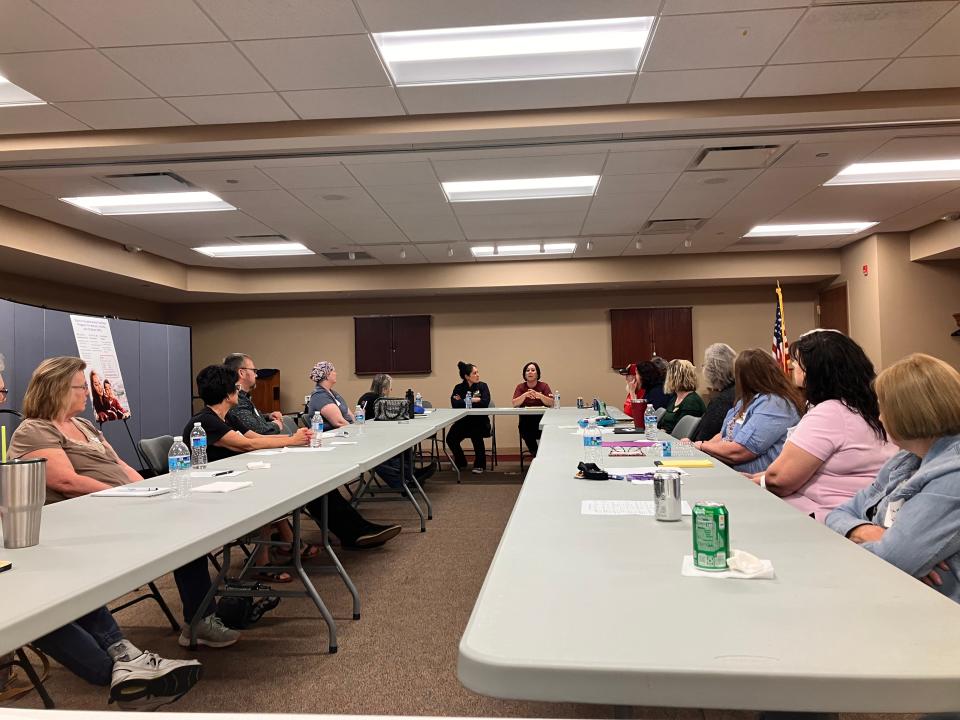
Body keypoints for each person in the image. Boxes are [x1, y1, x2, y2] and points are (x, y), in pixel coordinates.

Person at [7, 356, 201, 710]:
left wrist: (154, 494)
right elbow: (65, 482)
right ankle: (121, 671)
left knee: (191, 534)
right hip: (79, 525)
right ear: (58, 389)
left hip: (116, 512)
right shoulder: (35, 430)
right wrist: (131, 498)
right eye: (82, 387)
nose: (88, 394)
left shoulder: (84, 425)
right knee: (44, 606)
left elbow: (121, 465)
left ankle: (132, 661)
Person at [197, 364, 401, 550]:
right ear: (227, 392)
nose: (238, 390)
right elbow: (248, 444)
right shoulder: (206, 421)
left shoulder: (227, 417)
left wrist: (292, 437)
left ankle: (356, 531)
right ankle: (352, 532)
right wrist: (292, 440)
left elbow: (257, 437)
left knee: (315, 484)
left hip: (247, 476)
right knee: (307, 484)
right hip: (225, 492)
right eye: (235, 387)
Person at [826, 353, 960, 604]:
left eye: (882, 408)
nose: (879, 417)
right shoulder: (906, 460)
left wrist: (894, 550)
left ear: (906, 413)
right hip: (903, 597)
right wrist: (869, 533)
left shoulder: (953, 477)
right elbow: (839, 513)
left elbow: (894, 562)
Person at [746, 331, 897, 521]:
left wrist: (749, 481)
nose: (792, 366)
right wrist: (757, 478)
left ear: (816, 371)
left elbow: (780, 479)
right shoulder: (869, 407)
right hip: (855, 515)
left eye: (798, 362)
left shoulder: (831, 413)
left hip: (822, 521)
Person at [693, 348, 805, 473]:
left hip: (755, 482)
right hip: (731, 472)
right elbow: (725, 434)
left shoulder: (776, 403)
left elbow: (741, 451)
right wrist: (702, 446)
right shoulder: (749, 399)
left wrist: (703, 446)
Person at [357, 373, 434, 489]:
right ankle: (405, 481)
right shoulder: (379, 400)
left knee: (402, 444)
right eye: (390, 387)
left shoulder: (365, 397)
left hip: (372, 436)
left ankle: (412, 475)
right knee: (399, 447)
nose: (391, 390)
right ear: (384, 389)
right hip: (373, 440)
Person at [223, 353, 285, 435]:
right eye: (254, 371)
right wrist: (276, 425)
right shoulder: (235, 399)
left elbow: (247, 418)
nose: (256, 375)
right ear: (242, 373)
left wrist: (268, 416)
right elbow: (256, 431)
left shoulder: (243, 397)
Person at [447, 361, 491, 474]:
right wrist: (473, 400)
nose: (478, 375)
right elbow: (455, 404)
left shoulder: (482, 386)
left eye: (478, 372)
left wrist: (462, 400)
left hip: (480, 422)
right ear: (467, 376)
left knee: (476, 434)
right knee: (450, 439)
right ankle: (461, 461)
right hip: (463, 422)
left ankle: (480, 464)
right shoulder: (458, 388)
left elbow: (485, 403)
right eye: (474, 373)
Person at [690, 343, 737, 442]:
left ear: (712, 370)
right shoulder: (740, 391)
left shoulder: (722, 401)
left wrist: (690, 443)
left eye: (704, 365)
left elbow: (704, 437)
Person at [512, 361, 552, 456]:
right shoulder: (520, 387)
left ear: (537, 374)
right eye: (527, 370)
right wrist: (525, 395)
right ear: (524, 374)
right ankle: (537, 455)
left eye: (533, 370)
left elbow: (551, 403)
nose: (530, 372)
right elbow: (514, 404)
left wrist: (540, 396)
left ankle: (541, 455)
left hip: (542, 419)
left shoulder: (544, 386)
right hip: (526, 421)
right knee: (526, 431)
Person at [657, 359, 706, 434]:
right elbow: (664, 424)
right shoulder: (675, 398)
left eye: (669, 375)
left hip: (676, 442)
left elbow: (681, 432)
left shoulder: (691, 402)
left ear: (676, 378)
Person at [306, 361, 354, 431]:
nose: (336, 373)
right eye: (333, 371)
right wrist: (354, 431)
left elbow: (349, 414)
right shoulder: (320, 396)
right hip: (331, 436)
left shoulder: (332, 393)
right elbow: (339, 422)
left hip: (344, 431)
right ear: (327, 375)